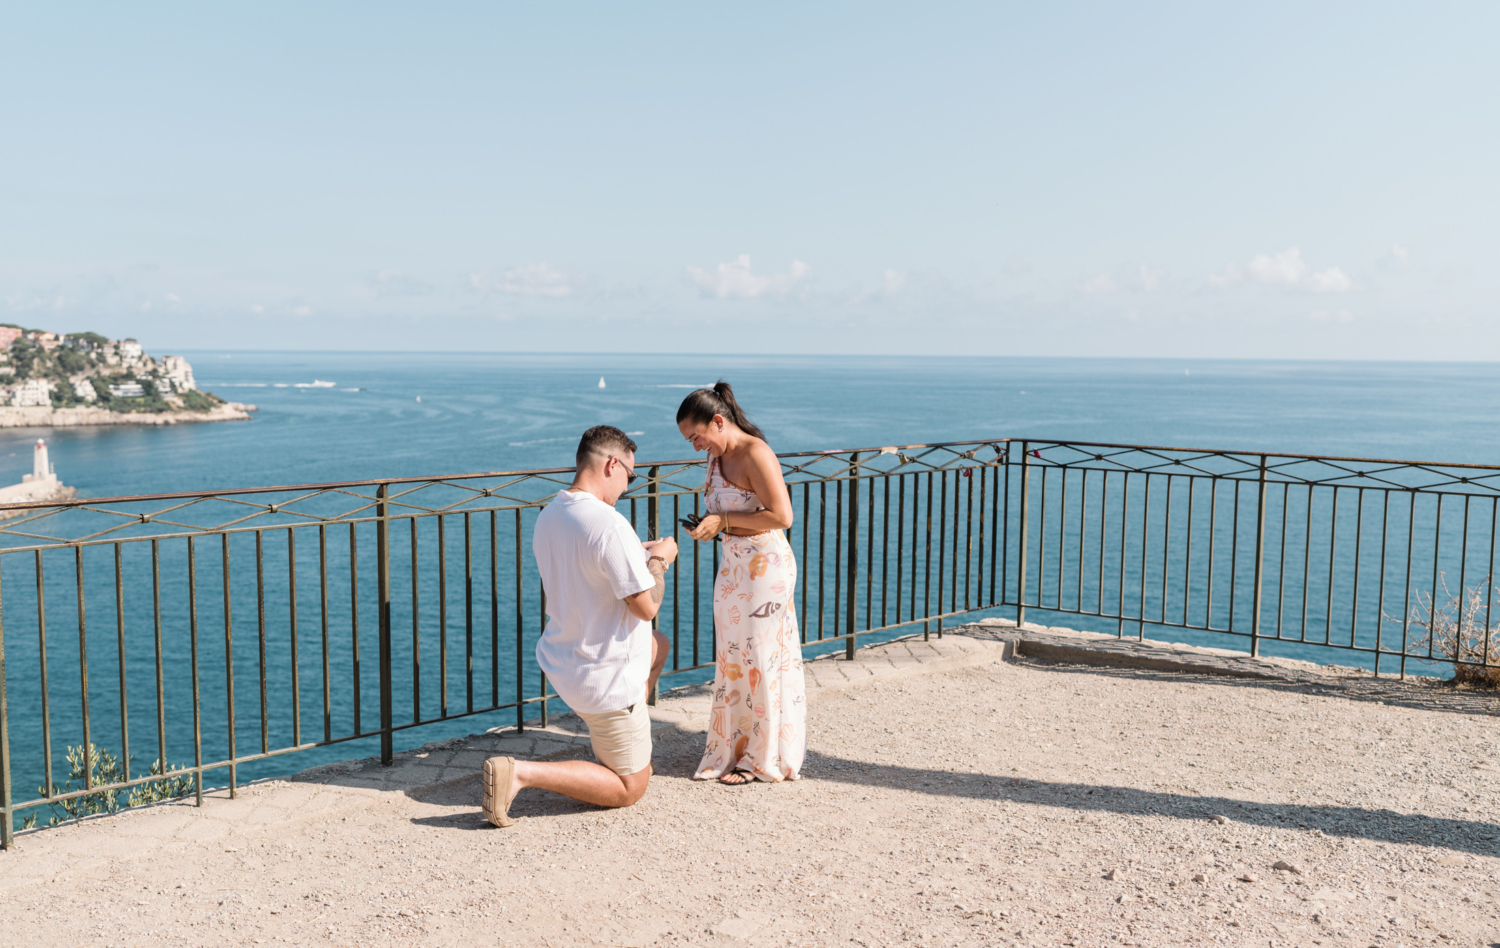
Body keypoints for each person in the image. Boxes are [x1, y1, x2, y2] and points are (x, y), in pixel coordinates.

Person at [482, 425, 676, 827]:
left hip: (565, 661)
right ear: (611, 464)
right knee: (631, 787)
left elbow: (588, 562)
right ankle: (520, 773)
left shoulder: (552, 514)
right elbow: (646, 606)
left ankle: (622, 736)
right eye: (630, 475)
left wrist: (635, 552)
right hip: (606, 679)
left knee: (659, 644)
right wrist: (659, 560)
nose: (628, 486)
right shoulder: (610, 525)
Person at [677, 382, 806, 785]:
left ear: (718, 421)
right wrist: (710, 527)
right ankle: (732, 747)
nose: (696, 447)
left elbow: (782, 516)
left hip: (765, 570)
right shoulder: (717, 458)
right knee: (734, 661)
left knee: (761, 660)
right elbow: (728, 514)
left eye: (697, 437)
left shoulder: (756, 453)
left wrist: (726, 523)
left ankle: (761, 758)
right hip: (733, 569)